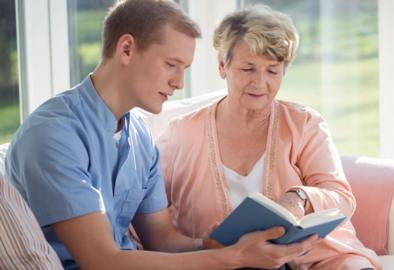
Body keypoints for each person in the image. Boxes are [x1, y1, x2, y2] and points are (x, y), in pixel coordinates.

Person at [4, 1, 318, 269]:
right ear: (126, 49)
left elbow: (163, 240)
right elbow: (102, 261)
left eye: (185, 69)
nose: (179, 82)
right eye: (171, 64)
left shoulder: (140, 136)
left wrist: (212, 245)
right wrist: (231, 258)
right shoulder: (54, 133)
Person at [157, 6, 381, 270]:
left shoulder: (305, 124)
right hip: (227, 263)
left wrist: (300, 199)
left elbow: (341, 198)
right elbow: (148, 216)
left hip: (318, 260)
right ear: (222, 65)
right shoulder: (180, 134)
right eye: (248, 68)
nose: (260, 83)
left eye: (272, 71)